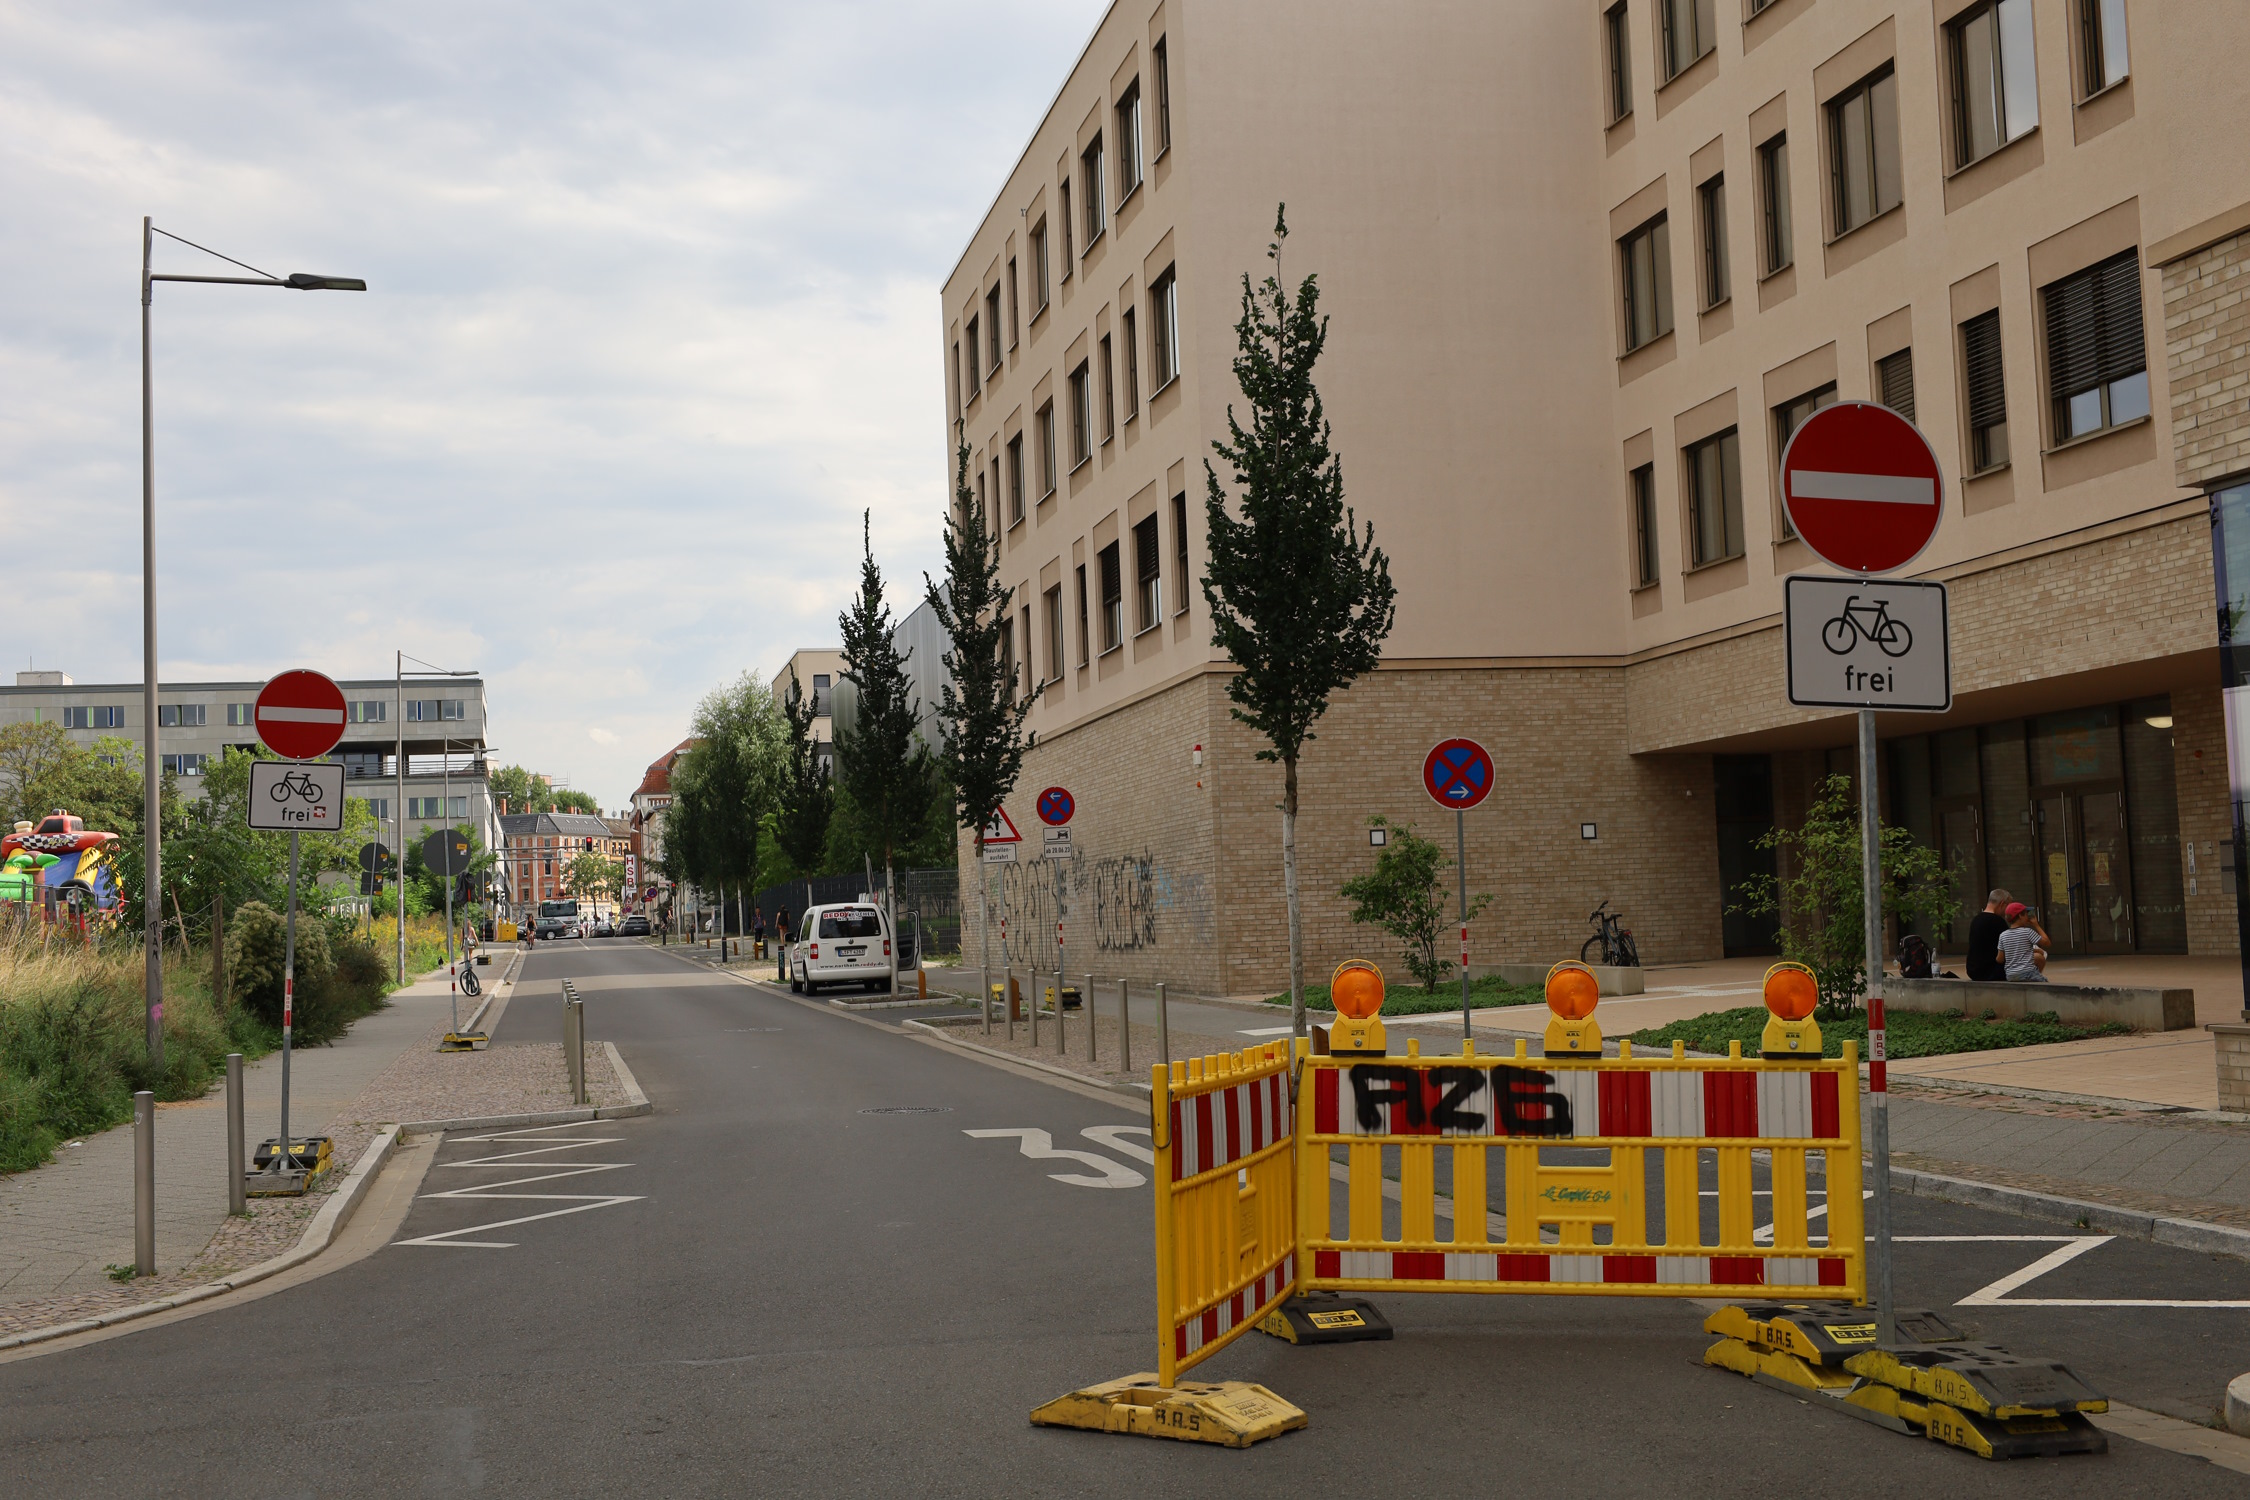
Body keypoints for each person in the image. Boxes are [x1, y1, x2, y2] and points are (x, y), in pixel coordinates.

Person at [1965, 889, 2011, 982]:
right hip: (1992, 971)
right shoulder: (1998, 921)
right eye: (2008, 906)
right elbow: (2011, 946)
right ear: (2002, 903)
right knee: (2036, 958)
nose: (2007, 911)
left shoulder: (1976, 919)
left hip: (1973, 970)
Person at [1999, 902, 2050, 982]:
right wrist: (2036, 925)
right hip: (2027, 973)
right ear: (2020, 916)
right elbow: (2047, 942)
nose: (2028, 917)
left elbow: (2000, 959)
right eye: (2026, 914)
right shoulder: (2027, 932)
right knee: (2046, 986)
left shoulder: (2003, 935)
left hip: (2010, 975)